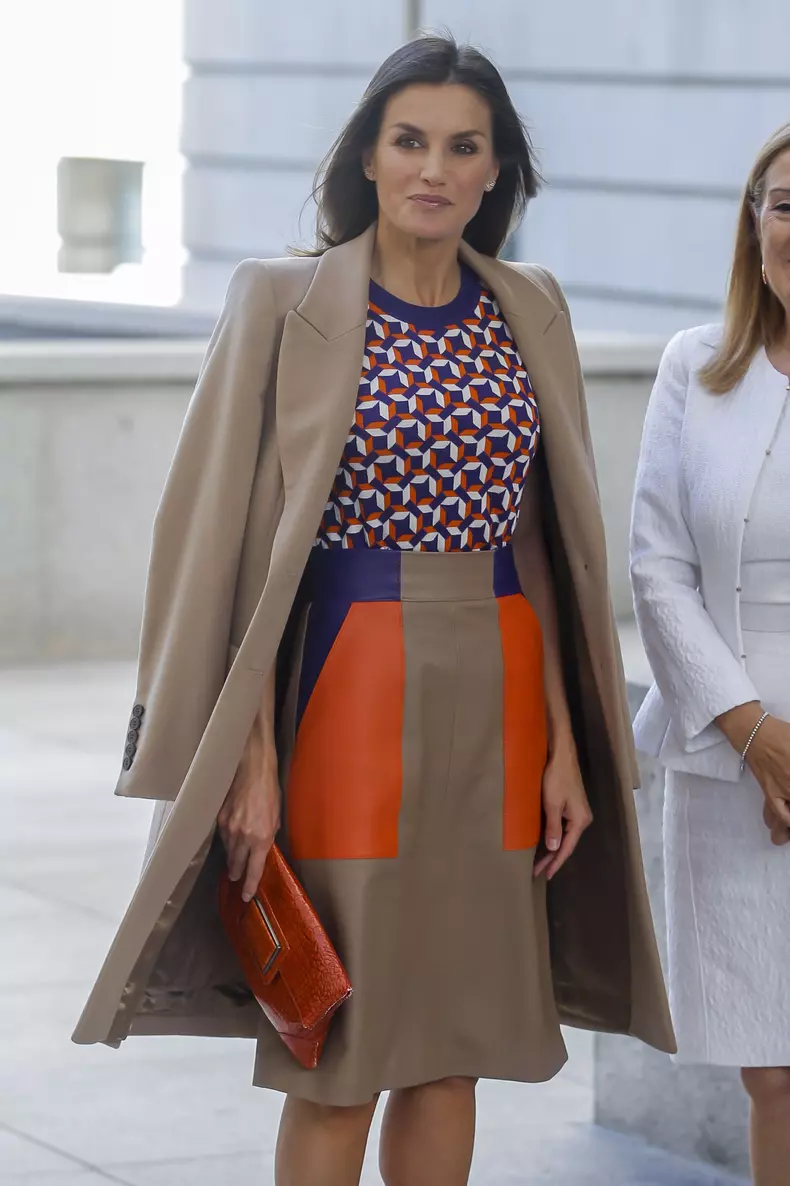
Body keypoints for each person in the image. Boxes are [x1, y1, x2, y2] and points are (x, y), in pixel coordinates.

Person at [74, 34, 673, 1186]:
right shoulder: (281, 299)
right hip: (347, 683)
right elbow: (220, 545)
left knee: (453, 1050)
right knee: (338, 1052)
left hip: (499, 688)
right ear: (366, 155)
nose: (433, 169)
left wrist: (564, 743)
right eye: (409, 141)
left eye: (463, 147)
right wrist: (249, 757)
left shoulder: (529, 307)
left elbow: (539, 544)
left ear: (496, 171)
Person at [630, 122, 790, 1186]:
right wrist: (758, 737)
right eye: (786, 205)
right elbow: (656, 565)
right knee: (770, 1070)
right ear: (753, 223)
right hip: (722, 755)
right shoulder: (695, 364)